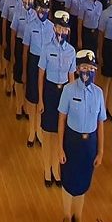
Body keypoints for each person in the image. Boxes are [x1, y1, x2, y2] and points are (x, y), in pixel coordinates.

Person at [57, 49, 105, 222]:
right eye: (84, 67)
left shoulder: (99, 93)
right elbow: (61, 119)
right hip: (72, 143)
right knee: (68, 181)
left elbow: (101, 124)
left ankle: (78, 216)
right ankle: (67, 216)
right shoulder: (69, 90)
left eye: (91, 67)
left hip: (89, 144)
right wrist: (60, 148)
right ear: (77, 69)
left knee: (83, 182)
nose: (88, 71)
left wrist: (100, 151)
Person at [38, 10, 76, 187]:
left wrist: (73, 102)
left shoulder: (71, 51)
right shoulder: (47, 48)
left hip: (64, 93)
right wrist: (40, 99)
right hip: (50, 92)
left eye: (65, 28)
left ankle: (56, 169)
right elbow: (41, 75)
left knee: (60, 133)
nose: (62, 31)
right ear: (54, 27)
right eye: (59, 27)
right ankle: (47, 169)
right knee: (48, 134)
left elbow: (72, 78)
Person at [22, 0, 53, 146]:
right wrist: (24, 71)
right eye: (40, 8)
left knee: (42, 99)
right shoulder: (30, 26)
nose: (42, 11)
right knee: (32, 99)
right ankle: (31, 131)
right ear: (35, 9)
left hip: (46, 65)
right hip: (34, 63)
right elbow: (25, 50)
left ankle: (39, 131)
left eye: (45, 8)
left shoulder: (52, 27)